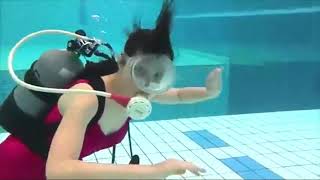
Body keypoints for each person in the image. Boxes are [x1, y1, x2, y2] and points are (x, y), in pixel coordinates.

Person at [0, 0, 223, 179]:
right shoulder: (86, 97)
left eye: (159, 75)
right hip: (12, 169)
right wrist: (153, 171)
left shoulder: (141, 92)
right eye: (142, 70)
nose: (148, 84)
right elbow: (59, 170)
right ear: (122, 61)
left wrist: (209, 92)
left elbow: (179, 95)